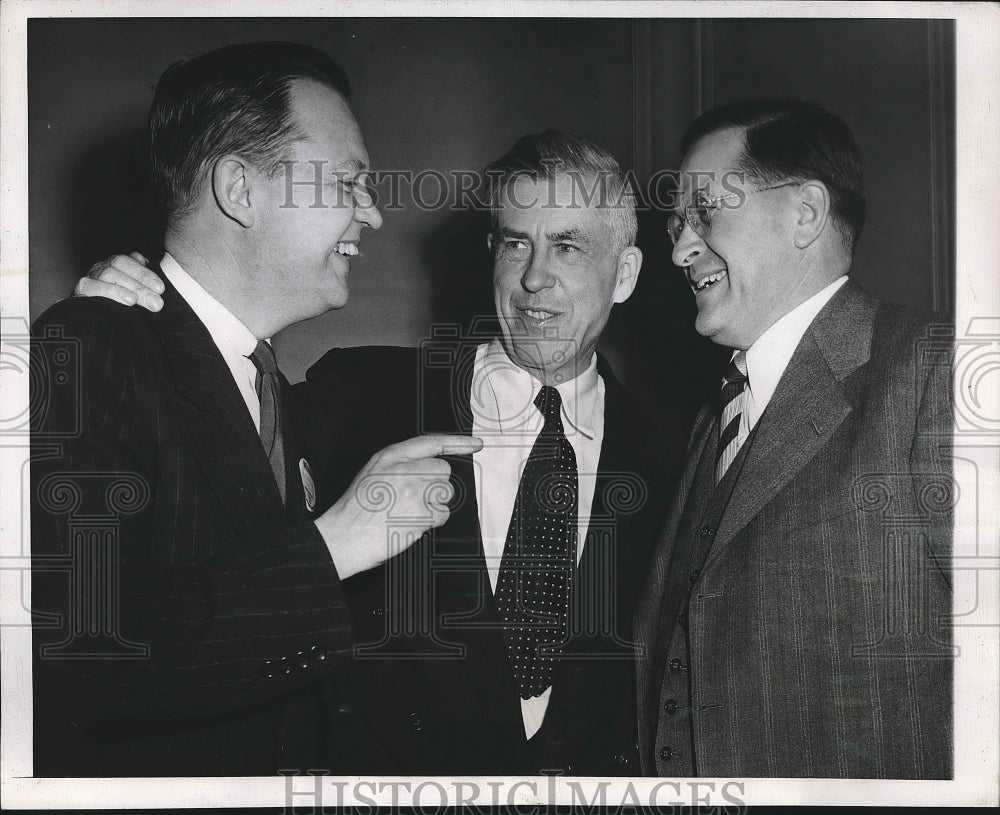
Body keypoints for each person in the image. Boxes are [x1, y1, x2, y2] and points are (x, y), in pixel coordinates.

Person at [77, 131, 685, 775]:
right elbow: (202, 435)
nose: (534, 277)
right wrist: (124, 318)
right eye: (515, 243)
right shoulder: (364, 396)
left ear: (624, 274)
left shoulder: (673, 457)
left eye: (567, 245)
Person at [31, 41, 479, 777]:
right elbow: (91, 658)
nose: (371, 211)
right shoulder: (89, 345)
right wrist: (336, 545)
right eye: (347, 183)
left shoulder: (274, 387)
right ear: (239, 189)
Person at [632, 100, 954, 778]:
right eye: (676, 223)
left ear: (806, 213)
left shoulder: (937, 369)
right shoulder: (713, 415)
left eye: (705, 213)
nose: (679, 248)